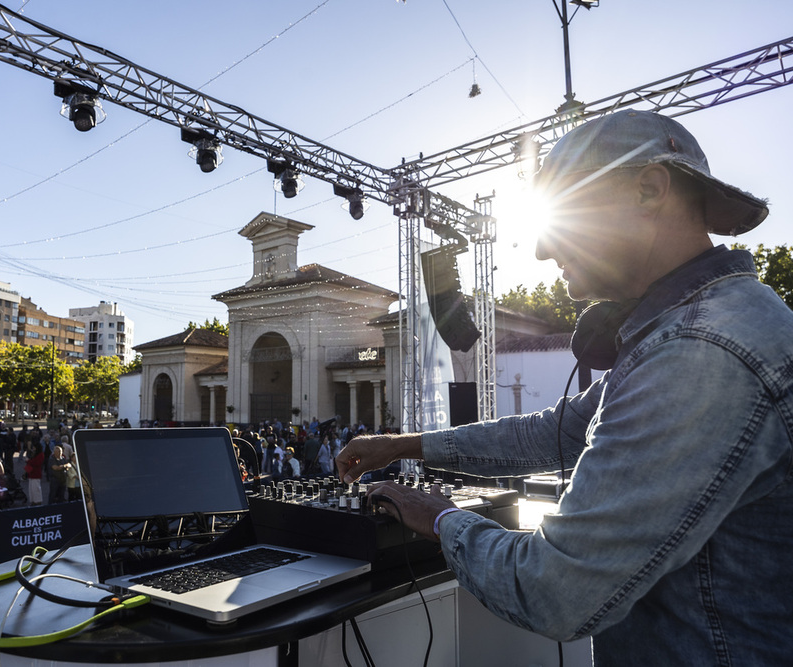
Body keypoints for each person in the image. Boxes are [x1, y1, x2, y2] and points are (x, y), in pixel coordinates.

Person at [336, 110, 793, 666]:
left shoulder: (699, 352)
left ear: (650, 189)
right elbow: (555, 431)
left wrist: (435, 515)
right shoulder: (694, 328)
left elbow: (552, 591)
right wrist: (407, 445)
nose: (541, 252)